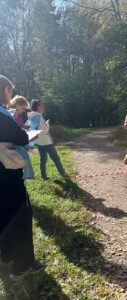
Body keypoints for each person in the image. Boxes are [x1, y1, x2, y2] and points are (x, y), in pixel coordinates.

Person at [0, 75, 44, 279]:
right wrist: (32, 135)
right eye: (9, 90)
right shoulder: (2, 114)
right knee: (22, 213)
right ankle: (23, 265)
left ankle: (7, 255)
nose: (10, 94)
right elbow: (19, 137)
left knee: (4, 212)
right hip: (7, 172)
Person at [27, 99, 68, 180]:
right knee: (56, 158)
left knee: (43, 159)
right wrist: (47, 124)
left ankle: (44, 176)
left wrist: (44, 123)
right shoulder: (39, 117)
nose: (43, 106)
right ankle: (63, 174)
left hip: (39, 142)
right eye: (41, 104)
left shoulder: (31, 116)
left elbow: (34, 128)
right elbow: (45, 130)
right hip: (47, 141)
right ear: (37, 106)